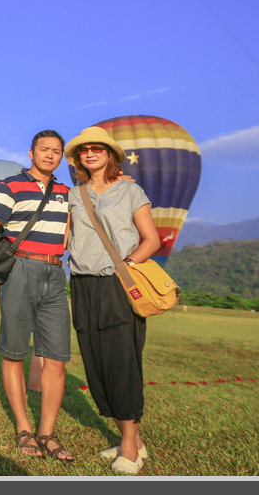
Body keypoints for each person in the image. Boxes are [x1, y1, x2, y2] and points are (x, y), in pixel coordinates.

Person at [0, 129, 74, 462]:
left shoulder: (68, 192)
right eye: (44, 149)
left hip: (56, 274)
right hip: (20, 271)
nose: (50, 155)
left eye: (57, 151)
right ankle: (24, 428)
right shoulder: (10, 185)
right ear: (31, 153)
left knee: (56, 358)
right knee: (14, 353)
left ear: (61, 157)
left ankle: (47, 433)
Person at [63, 126, 161, 475]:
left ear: (110, 155)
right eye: (84, 150)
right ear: (78, 159)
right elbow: (65, 238)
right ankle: (129, 438)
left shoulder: (131, 190)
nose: (90, 154)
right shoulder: (74, 195)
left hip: (118, 284)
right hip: (82, 285)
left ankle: (131, 449)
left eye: (97, 149)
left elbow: (151, 240)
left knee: (122, 362)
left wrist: (126, 268)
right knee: (97, 365)